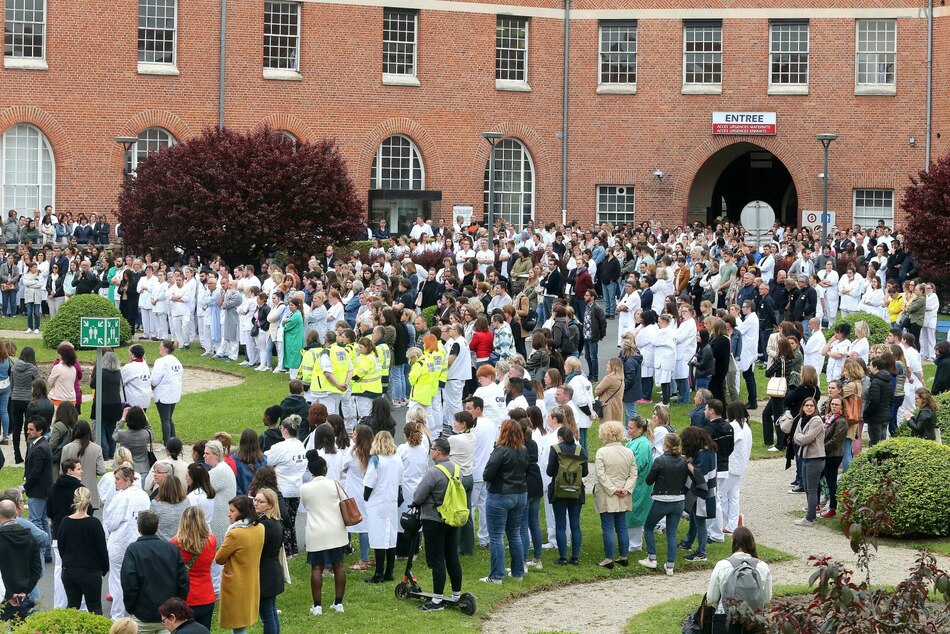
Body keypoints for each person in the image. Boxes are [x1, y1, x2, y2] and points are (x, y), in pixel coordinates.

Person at [412, 436, 465, 611]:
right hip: (452, 518)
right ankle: (456, 594)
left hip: (434, 519)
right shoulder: (458, 470)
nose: (431, 452)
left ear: (438, 452)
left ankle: (437, 600)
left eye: (432, 449)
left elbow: (418, 496)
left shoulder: (433, 472)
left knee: (436, 560)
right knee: (451, 557)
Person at [121, 511, 190, 633]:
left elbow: (129, 582)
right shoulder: (171, 548)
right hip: (169, 615)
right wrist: (177, 604)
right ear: (158, 526)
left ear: (138, 528)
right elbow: (183, 580)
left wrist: (131, 607)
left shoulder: (133, 550)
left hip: (142, 614)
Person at [300, 452, 348, 616]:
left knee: (316, 568)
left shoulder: (305, 488)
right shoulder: (334, 484)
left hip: (316, 531)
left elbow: (306, 505)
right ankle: (339, 603)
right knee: (339, 565)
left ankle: (317, 606)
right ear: (325, 469)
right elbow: (344, 500)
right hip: (336, 529)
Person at [481, 418, 528, 583]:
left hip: (500, 495)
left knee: (496, 536)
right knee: (514, 534)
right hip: (520, 494)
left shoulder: (501, 450)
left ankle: (496, 576)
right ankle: (517, 573)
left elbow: (487, 474)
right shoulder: (523, 449)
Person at [104, 465, 151, 620]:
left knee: (117, 579)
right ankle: (137, 614)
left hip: (119, 544)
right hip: (138, 542)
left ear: (128, 480)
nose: (115, 483)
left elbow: (111, 522)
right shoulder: (143, 495)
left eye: (117, 479)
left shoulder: (121, 497)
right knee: (137, 579)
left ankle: (117, 615)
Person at [706, 527, 773, 634]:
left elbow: (711, 598)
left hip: (725, 618)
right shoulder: (762, 566)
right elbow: (766, 599)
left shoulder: (722, 565)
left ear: (733, 542)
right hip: (754, 618)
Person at [639, 432, 688, 576]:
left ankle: (652, 558)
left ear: (665, 445)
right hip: (679, 501)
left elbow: (649, 480)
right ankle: (670, 565)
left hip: (662, 500)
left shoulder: (660, 460)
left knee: (648, 527)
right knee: (672, 532)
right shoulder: (683, 461)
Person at [215, 496, 265, 633]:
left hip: (235, 583)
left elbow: (219, 558)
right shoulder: (260, 528)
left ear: (242, 512)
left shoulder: (235, 534)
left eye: (232, 511)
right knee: (241, 621)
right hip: (251, 580)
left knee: (237, 623)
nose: (228, 514)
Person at [56, 486, 109, 614]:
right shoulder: (94, 523)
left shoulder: (65, 522)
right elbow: (102, 548)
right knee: (95, 606)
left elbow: (61, 547)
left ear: (74, 500)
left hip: (70, 569)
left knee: (72, 606)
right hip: (90, 571)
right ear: (89, 502)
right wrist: (104, 567)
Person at [593, 420, 636, 569]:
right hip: (623, 493)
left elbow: (601, 475)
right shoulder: (628, 451)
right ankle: (624, 555)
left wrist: (613, 489)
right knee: (622, 526)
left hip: (607, 494)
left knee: (608, 527)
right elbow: (633, 474)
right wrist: (626, 488)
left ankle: (609, 558)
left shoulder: (602, 452)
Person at [363, 430, 404, 583]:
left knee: (379, 537)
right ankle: (389, 572)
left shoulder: (376, 460)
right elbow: (400, 481)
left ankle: (379, 573)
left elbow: (369, 483)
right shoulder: (397, 459)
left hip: (377, 503)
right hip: (391, 502)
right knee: (391, 536)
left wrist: (365, 497)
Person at [263, 415, 306, 557]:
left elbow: (267, 459)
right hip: (297, 488)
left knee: (283, 521)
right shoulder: (300, 445)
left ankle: (287, 550)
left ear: (285, 430)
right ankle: (292, 548)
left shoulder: (280, 447)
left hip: (283, 489)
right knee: (291, 520)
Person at [547, 424, 588, 565]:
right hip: (576, 491)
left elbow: (549, 471)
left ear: (560, 437)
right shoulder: (580, 449)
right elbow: (586, 472)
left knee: (560, 524)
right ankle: (575, 557)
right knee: (575, 524)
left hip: (559, 491)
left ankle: (563, 557)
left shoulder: (555, 449)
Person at [678, 426, 717, 563]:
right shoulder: (707, 450)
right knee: (694, 518)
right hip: (702, 492)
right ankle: (688, 542)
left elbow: (700, 476)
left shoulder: (704, 454)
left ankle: (701, 552)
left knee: (700, 521)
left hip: (702, 494)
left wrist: (688, 464)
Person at [0, 498, 42, 623]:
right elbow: (36, 569)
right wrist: (26, 590)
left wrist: (8, 594)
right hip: (23, 595)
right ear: (17, 513)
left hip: (4, 594)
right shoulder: (30, 538)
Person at [251, 488, 286, 634]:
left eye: (260, 501)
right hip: (273, 569)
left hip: (265, 571)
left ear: (270, 505)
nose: (256, 503)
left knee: (267, 615)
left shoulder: (264, 525)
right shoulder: (276, 522)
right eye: (255, 500)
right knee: (271, 611)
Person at [60, 419, 106, 510]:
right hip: (90, 493)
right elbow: (101, 470)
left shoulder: (67, 448)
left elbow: (62, 471)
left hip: (72, 493)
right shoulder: (96, 449)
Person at [792, 398, 825, 527]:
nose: (809, 408)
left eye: (812, 405)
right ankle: (811, 514)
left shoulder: (816, 420)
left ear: (815, 407)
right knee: (806, 487)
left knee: (811, 488)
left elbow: (806, 439)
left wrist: (800, 438)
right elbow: (796, 437)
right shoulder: (801, 419)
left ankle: (810, 518)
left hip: (815, 458)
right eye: (807, 405)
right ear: (803, 407)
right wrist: (801, 438)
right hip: (805, 457)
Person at [448, 411, 476, 555]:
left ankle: (456, 547)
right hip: (469, 476)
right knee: (467, 512)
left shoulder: (455, 439)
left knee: (457, 512)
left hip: (459, 479)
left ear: (463, 424)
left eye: (456, 421)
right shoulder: (472, 437)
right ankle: (468, 547)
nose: (454, 424)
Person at [721, 402, 752, 533]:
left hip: (731, 465)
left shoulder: (733, 426)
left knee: (720, 494)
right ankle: (732, 523)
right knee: (733, 495)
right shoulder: (747, 426)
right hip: (741, 465)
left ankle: (731, 519)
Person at [624, 416, 654, 551]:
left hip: (639, 484)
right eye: (628, 427)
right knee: (631, 512)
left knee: (636, 512)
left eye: (631, 428)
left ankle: (635, 544)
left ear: (641, 429)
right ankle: (630, 542)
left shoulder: (643, 444)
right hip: (634, 483)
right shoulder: (636, 441)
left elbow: (637, 464)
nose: (628, 431)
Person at [9, 346, 38, 463]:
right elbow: (38, 384)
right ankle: (28, 453)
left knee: (16, 427)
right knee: (29, 427)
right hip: (28, 399)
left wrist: (13, 395)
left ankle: (17, 455)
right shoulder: (33, 369)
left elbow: (12, 383)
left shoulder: (14, 367)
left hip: (15, 398)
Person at [820, 396, 848, 519]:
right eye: (832, 404)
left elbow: (835, 440)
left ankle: (832, 507)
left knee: (831, 481)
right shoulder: (829, 418)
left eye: (837, 404)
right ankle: (821, 503)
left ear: (842, 407)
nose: (834, 406)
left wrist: (821, 448)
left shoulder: (841, 422)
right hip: (827, 453)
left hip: (833, 455)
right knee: (821, 478)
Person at [151, 339, 183, 445]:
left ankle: (167, 443)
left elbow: (155, 379)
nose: (159, 348)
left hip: (163, 393)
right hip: (174, 392)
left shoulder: (161, 361)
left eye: (160, 346)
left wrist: (152, 386)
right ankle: (173, 442)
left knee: (165, 419)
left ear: (165, 349)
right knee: (169, 418)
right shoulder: (176, 360)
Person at [114, 406, 154, 479]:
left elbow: (114, 436)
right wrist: (145, 418)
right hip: (143, 468)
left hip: (125, 468)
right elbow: (150, 431)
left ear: (127, 419)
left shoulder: (122, 434)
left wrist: (122, 418)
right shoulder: (146, 434)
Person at [864, 357, 895, 446]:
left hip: (876, 417)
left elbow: (874, 400)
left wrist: (867, 411)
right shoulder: (887, 380)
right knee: (882, 442)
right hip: (885, 415)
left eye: (871, 365)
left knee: (875, 443)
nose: (869, 367)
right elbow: (891, 398)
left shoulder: (876, 382)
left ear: (875, 367)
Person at [150, 475, 191, 540]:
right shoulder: (186, 502)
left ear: (162, 487)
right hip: (182, 541)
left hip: (162, 543)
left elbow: (151, 526)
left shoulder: (154, 504)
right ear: (179, 487)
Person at [232, 429, 266, 496]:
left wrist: (241, 497)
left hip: (241, 498)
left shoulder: (234, 459)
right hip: (259, 497)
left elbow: (234, 482)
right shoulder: (263, 459)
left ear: (241, 441)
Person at [594, 358, 625, 423]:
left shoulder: (609, 378)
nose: (606, 365)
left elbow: (597, 391)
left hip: (608, 407)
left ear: (613, 366)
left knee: (607, 428)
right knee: (616, 428)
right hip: (618, 406)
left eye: (608, 364)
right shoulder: (621, 379)